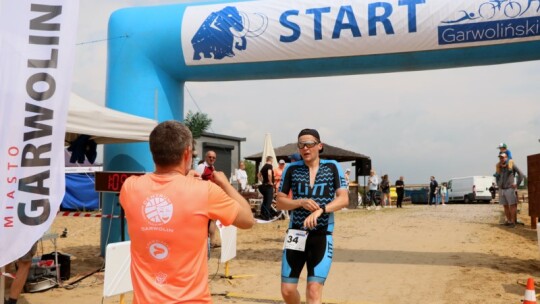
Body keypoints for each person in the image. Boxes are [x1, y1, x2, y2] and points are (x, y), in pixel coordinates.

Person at [119, 121, 254, 303]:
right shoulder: (204, 191)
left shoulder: (130, 187)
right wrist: (225, 184)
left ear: (153, 152)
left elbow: (166, 189)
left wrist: (183, 179)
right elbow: (248, 220)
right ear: (187, 153)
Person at [276, 128, 349, 304]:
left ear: (319, 146)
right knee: (287, 290)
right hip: (296, 233)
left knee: (314, 290)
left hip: (322, 234)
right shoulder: (291, 169)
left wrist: (321, 209)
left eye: (309, 144)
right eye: (301, 145)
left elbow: (344, 199)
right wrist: (300, 202)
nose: (305, 148)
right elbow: (280, 202)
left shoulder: (332, 167)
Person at [196, 150, 220, 247]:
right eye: (210, 157)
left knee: (213, 219)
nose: (212, 159)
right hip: (203, 197)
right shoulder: (201, 167)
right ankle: (208, 242)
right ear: (206, 157)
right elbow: (196, 180)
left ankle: (211, 241)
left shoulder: (212, 167)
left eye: (214, 157)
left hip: (211, 196)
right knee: (207, 219)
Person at [495, 152, 524, 228]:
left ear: (507, 157)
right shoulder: (499, 167)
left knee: (512, 206)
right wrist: (498, 184)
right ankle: (509, 221)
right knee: (505, 206)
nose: (501, 159)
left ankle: (513, 223)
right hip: (502, 189)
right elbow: (497, 176)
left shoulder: (511, 164)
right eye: (500, 157)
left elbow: (521, 174)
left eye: (503, 157)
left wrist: (517, 184)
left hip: (509, 189)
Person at [258, 155, 275, 220]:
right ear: (271, 160)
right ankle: (266, 216)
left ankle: (262, 214)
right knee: (268, 201)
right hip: (268, 186)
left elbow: (258, 175)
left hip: (263, 186)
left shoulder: (264, 166)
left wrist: (262, 181)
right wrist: (270, 182)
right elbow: (269, 174)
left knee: (265, 200)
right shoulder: (269, 166)